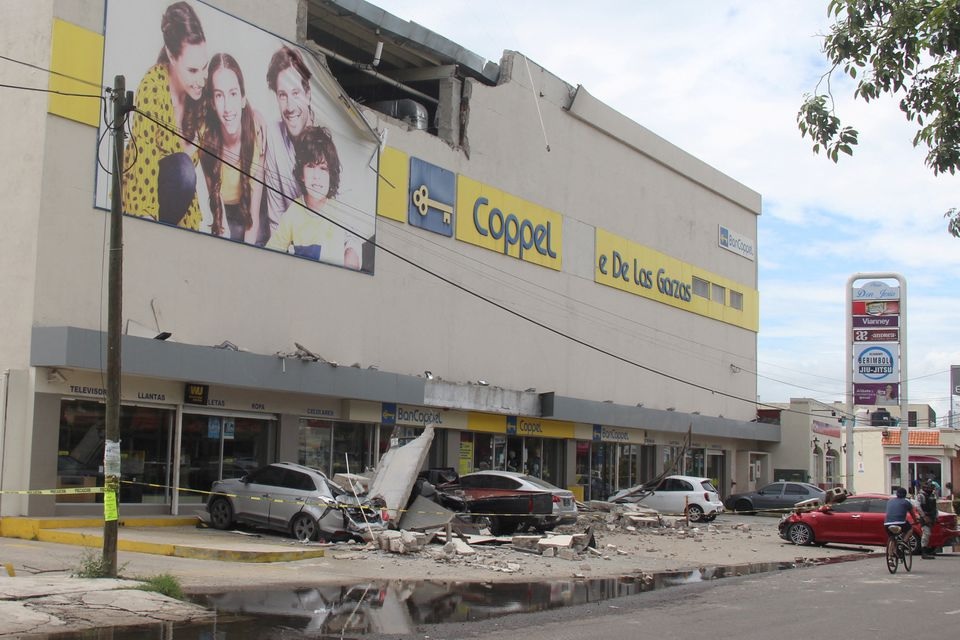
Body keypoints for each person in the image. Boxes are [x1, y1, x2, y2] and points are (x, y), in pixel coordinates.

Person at [123, 1, 207, 229]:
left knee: (185, 170)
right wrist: (147, 220)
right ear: (171, 55)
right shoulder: (153, 86)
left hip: (177, 207)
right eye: (192, 70)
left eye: (204, 67)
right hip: (142, 195)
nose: (201, 80)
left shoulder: (199, 100)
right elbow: (145, 155)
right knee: (183, 168)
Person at [265, 126, 361, 268]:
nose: (316, 177)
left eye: (323, 168)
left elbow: (354, 244)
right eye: (310, 166)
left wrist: (351, 255)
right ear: (301, 174)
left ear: (331, 175)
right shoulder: (293, 212)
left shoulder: (340, 209)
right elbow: (270, 254)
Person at [198, 53, 266, 243]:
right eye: (219, 95)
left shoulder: (258, 137)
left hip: (251, 209)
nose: (228, 107)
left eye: (233, 93)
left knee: (258, 243)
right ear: (212, 102)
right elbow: (217, 212)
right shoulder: (205, 137)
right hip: (223, 211)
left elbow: (252, 220)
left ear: (243, 98)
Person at [264, 45, 315, 235]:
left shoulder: (331, 142)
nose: (290, 107)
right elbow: (276, 220)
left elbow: (351, 238)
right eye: (283, 95)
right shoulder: (274, 137)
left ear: (308, 95)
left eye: (296, 93)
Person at [917, 482, 939, 559]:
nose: (931, 490)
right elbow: (918, 507)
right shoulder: (921, 496)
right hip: (925, 517)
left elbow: (935, 507)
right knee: (926, 533)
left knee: (928, 534)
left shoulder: (932, 495)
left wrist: (936, 516)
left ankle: (928, 550)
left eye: (932, 488)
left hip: (931, 516)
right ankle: (924, 552)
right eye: (929, 488)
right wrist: (924, 516)